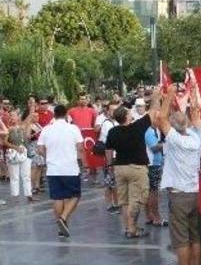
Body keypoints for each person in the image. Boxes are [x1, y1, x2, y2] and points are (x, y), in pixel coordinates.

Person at [156, 85, 201, 265]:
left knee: (181, 240)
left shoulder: (174, 140)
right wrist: (192, 95)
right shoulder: (197, 136)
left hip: (179, 194)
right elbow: (196, 115)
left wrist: (168, 95)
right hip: (194, 192)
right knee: (194, 235)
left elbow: (161, 119)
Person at [106, 93, 160, 238]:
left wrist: (110, 165)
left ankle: (128, 227)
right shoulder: (137, 127)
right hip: (137, 167)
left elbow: (108, 150)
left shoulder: (112, 131)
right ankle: (132, 228)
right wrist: (156, 97)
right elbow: (154, 111)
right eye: (129, 113)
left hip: (120, 167)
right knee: (137, 199)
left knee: (124, 201)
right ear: (127, 117)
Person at [37, 104, 87, 238]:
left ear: (54, 114)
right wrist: (85, 163)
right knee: (75, 195)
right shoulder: (73, 128)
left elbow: (40, 149)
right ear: (66, 115)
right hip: (69, 167)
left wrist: (49, 157)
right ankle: (63, 218)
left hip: (53, 169)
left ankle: (61, 228)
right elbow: (80, 148)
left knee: (58, 197)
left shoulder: (47, 129)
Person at [3, 107, 38, 203]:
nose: (12, 117)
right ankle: (15, 196)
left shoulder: (22, 126)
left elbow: (30, 116)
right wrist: (15, 147)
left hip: (24, 153)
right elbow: (4, 142)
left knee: (26, 175)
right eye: (11, 115)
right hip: (14, 154)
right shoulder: (8, 129)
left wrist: (32, 105)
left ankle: (29, 195)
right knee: (14, 176)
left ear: (18, 117)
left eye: (14, 115)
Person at [97, 102, 120, 214]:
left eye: (116, 110)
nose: (114, 112)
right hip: (110, 157)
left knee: (114, 182)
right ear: (107, 111)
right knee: (110, 183)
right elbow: (109, 143)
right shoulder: (107, 124)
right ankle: (111, 204)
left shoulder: (117, 122)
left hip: (117, 155)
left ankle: (115, 203)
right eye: (112, 110)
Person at [144, 123, 167, 227]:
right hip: (153, 164)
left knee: (150, 191)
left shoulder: (155, 130)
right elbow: (154, 147)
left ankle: (149, 216)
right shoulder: (149, 131)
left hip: (154, 163)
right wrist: (167, 143)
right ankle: (156, 217)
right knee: (153, 191)